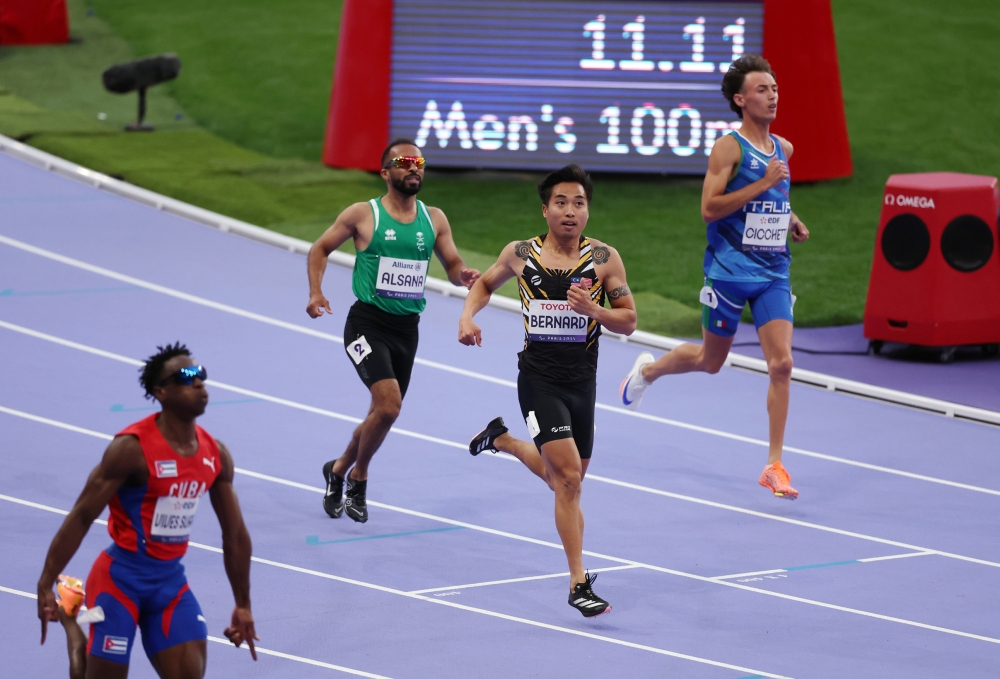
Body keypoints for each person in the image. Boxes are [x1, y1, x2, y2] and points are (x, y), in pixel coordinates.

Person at [619, 54, 810, 500]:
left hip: (772, 272)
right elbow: (710, 208)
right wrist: (763, 183)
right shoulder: (728, 148)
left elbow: (773, 199)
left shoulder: (783, 149)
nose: (772, 95)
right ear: (741, 99)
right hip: (726, 272)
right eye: (762, 89)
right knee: (711, 361)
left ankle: (774, 465)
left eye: (774, 88)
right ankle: (649, 371)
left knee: (781, 363)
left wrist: (790, 219)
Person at [460, 164, 636, 617]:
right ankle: (579, 583)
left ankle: (502, 440)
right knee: (570, 480)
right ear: (545, 210)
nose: (571, 211)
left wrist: (594, 310)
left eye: (579, 203)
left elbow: (630, 320)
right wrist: (467, 316)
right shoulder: (521, 253)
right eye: (561, 202)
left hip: (583, 383)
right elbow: (484, 283)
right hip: (538, 381)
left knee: (565, 479)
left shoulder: (603, 259)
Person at [37, 343, 258, 679]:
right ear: (161, 392)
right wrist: (44, 582)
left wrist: (243, 604)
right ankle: (73, 623)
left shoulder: (216, 455)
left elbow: (236, 535)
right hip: (118, 581)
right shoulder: (131, 450)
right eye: (186, 377)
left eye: (201, 375)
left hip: (169, 584)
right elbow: (82, 516)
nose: (199, 383)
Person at [306, 139, 480, 523]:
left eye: (419, 161)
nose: (414, 168)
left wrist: (462, 275)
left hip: (407, 330)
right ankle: (359, 478)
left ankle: (335, 470)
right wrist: (316, 291)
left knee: (380, 415)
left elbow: (452, 263)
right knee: (389, 406)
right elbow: (319, 249)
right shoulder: (362, 214)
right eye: (404, 162)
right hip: (366, 325)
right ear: (385, 172)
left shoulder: (433, 218)